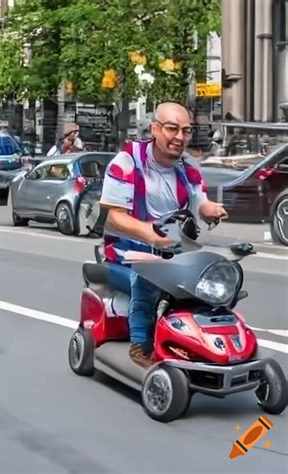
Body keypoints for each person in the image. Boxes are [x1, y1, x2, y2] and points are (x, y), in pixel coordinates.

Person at [99, 101, 228, 368]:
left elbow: (199, 201)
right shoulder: (126, 162)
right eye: (172, 129)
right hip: (130, 250)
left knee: (208, 285)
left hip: (175, 250)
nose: (180, 137)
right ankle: (140, 345)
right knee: (145, 282)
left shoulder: (188, 166)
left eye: (186, 130)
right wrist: (150, 234)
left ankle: (194, 343)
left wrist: (210, 210)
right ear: (155, 129)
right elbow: (114, 216)